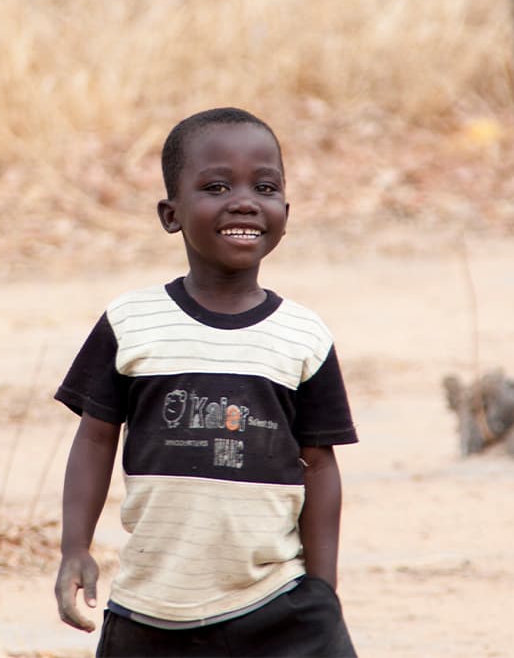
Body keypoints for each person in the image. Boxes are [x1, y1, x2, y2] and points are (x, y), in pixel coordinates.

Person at [53, 107, 358, 657]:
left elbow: (320, 464)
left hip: (278, 605)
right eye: (217, 186)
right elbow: (95, 439)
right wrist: (75, 548)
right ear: (171, 214)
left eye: (264, 186)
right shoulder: (130, 322)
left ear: (285, 211)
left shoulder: (304, 336)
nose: (244, 200)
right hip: (152, 610)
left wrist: (323, 591)